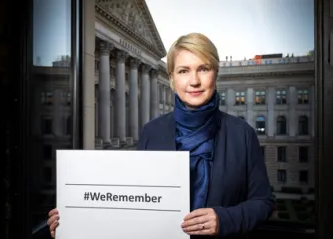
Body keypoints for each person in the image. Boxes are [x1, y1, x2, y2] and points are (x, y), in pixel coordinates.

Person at [47, 32, 274, 238]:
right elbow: (131, 202)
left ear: (216, 73)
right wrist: (74, 220)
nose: (194, 81)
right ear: (172, 79)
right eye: (184, 71)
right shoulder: (151, 132)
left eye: (203, 69)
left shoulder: (243, 134)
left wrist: (225, 219)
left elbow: (263, 202)